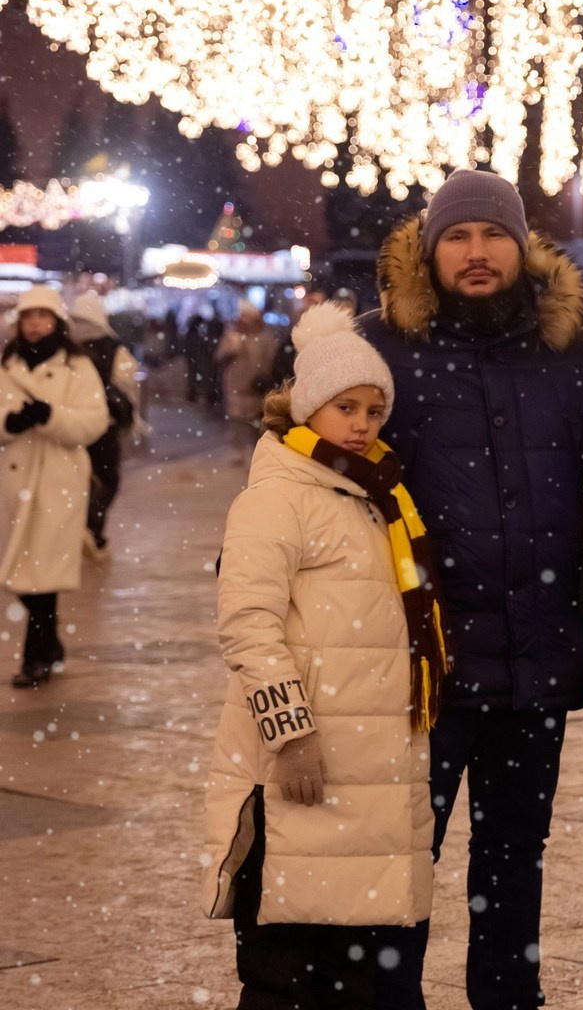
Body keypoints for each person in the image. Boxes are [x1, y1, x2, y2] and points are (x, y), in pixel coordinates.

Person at [363, 168, 583, 1010]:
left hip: (537, 648)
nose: (476, 253)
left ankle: (511, 996)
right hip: (423, 658)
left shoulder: (570, 351)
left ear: (521, 245)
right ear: (430, 251)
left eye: (492, 235)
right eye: (458, 237)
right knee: (404, 852)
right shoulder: (382, 346)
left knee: (514, 851)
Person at [202, 301, 447, 1009]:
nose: (364, 423)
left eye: (374, 408)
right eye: (347, 406)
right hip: (303, 768)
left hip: (371, 771)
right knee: (287, 970)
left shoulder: (381, 495)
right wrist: (291, 732)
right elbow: (248, 626)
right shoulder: (278, 496)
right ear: (310, 408)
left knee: (360, 976)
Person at [0, 285, 109, 688]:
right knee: (18, 572)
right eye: (29, 319)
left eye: (43, 318)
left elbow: (93, 422)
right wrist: (9, 423)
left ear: (57, 323)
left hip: (57, 482)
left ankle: (35, 659)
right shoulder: (6, 364)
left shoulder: (77, 368)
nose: (35, 326)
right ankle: (51, 644)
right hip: (13, 484)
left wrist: (50, 416)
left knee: (41, 574)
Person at [69, 290, 141, 561]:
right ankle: (92, 528)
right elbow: (127, 380)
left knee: (79, 478)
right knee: (108, 479)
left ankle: (82, 529)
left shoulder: (67, 348)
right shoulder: (113, 348)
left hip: (73, 423)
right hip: (105, 424)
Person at [216, 300, 279, 457]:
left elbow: (271, 360)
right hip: (235, 385)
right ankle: (238, 451)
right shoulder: (232, 335)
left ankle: (255, 451)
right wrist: (230, 350)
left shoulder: (265, 337)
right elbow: (219, 357)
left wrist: (265, 378)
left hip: (256, 386)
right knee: (237, 420)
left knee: (255, 421)